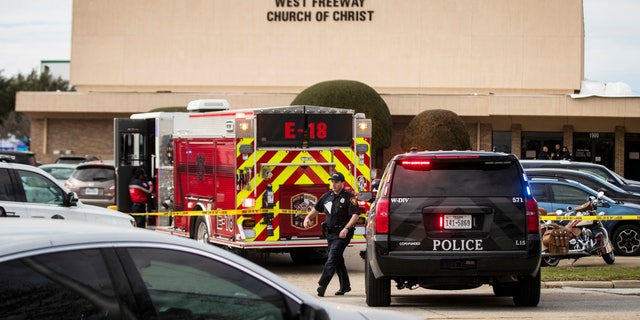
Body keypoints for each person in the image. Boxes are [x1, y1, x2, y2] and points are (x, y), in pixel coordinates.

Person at [303, 172, 359, 297]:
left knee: (332, 257)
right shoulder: (327, 196)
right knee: (337, 259)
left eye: (336, 182)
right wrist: (307, 218)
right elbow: (316, 210)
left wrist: (346, 228)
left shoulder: (349, 197)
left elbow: (355, 215)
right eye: (332, 182)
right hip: (330, 234)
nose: (333, 184)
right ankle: (345, 286)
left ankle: (322, 284)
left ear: (342, 183)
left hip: (343, 234)